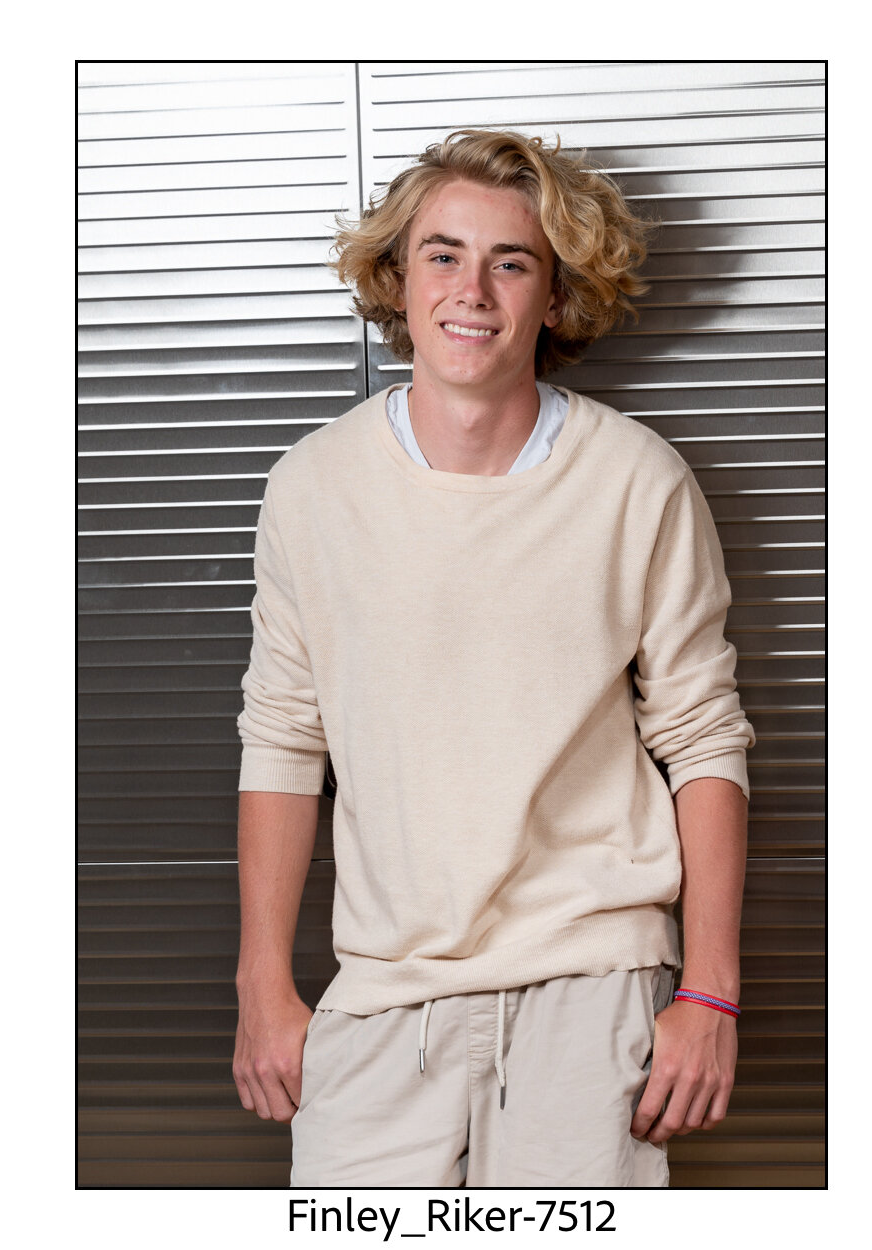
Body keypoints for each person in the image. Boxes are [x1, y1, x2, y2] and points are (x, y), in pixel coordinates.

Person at [232, 128, 756, 1188]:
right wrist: (260, 986)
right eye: (443, 254)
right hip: (381, 996)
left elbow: (703, 739)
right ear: (398, 277)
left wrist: (709, 993)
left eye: (510, 262)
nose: (470, 290)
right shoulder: (312, 487)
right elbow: (284, 738)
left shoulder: (636, 480)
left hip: (593, 986)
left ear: (555, 296)